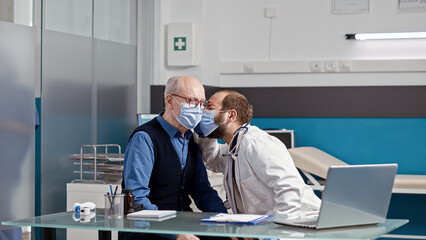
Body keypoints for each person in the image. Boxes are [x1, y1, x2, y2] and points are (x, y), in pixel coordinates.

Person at [119, 76, 227, 240]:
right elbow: (137, 200)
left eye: (202, 103)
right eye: (192, 101)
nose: (198, 109)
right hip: (149, 230)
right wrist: (175, 234)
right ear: (170, 101)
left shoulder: (190, 139)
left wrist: (229, 224)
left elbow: (204, 192)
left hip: (182, 225)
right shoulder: (145, 138)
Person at [194, 90, 321, 219]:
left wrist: (280, 232)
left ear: (231, 116)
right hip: (268, 225)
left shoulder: (256, 143)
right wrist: (205, 133)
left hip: (301, 223)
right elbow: (213, 160)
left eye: (209, 107)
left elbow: (289, 188)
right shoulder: (234, 147)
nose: (203, 112)